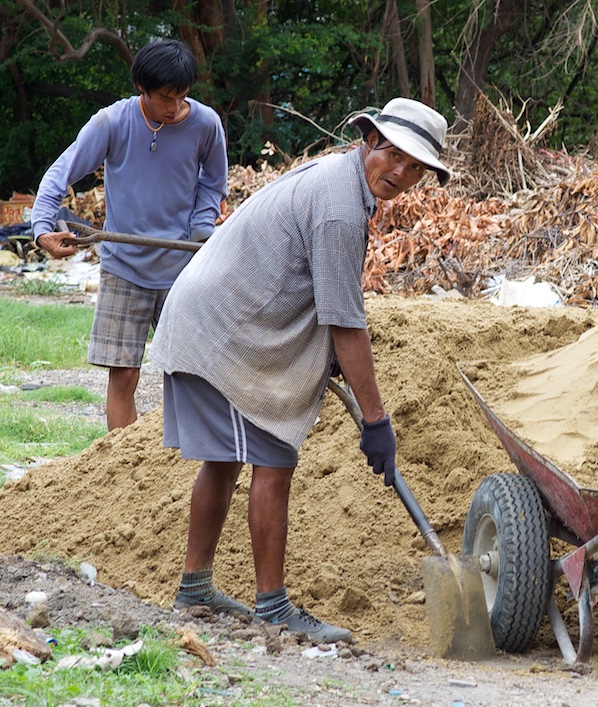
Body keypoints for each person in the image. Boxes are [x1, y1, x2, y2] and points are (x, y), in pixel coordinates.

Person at [148, 98, 451, 641]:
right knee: (272, 457)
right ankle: (273, 607)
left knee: (227, 460)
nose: (400, 174)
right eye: (394, 157)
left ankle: (194, 590)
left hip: (216, 319)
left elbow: (324, 299)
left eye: (415, 168)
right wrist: (378, 422)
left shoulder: (341, 180)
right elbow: (345, 321)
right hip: (223, 332)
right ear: (370, 140)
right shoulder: (340, 206)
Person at [31, 39, 228, 431]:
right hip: (124, 268)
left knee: (194, 376)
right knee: (124, 376)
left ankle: (189, 469)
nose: (174, 108)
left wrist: (202, 226)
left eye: (182, 97)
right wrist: (41, 228)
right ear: (142, 88)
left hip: (183, 270)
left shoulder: (206, 124)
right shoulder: (113, 122)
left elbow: (213, 182)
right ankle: (120, 467)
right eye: (165, 98)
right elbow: (63, 170)